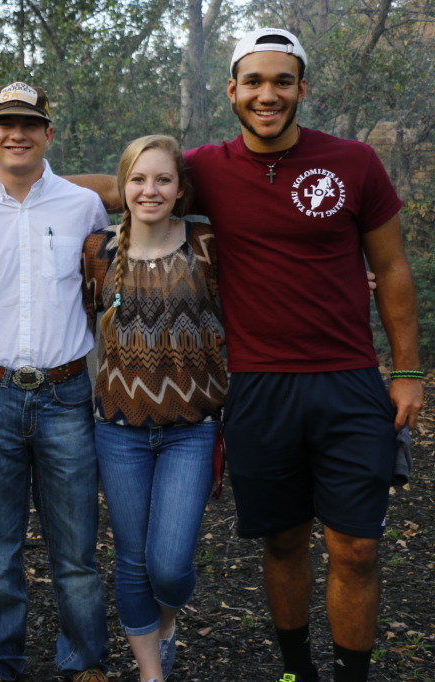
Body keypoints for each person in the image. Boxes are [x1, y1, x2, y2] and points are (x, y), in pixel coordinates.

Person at [67, 28, 423, 682]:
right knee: (284, 541)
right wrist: (20, 181)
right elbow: (127, 185)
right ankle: (297, 672)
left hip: (348, 383)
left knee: (359, 549)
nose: (268, 94)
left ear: (301, 89)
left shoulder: (352, 164)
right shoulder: (204, 169)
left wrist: (405, 371)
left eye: (282, 81)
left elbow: (393, 268)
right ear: (232, 90)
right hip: (256, 388)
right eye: (254, 81)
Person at [0, 81, 111, 682]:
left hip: (67, 393)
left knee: (76, 549)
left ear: (47, 132)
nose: (16, 134)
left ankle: (85, 661)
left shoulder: (81, 206)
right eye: (4, 124)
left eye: (29, 123)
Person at [81, 135, 226, 682]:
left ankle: (167, 623)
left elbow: (264, 290)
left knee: (168, 566)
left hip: (192, 428)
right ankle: (151, 672)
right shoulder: (98, 251)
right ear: (122, 189)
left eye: (163, 179)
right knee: (132, 559)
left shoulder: (207, 242)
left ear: (180, 188)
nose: (150, 190)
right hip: (118, 430)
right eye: (138, 179)